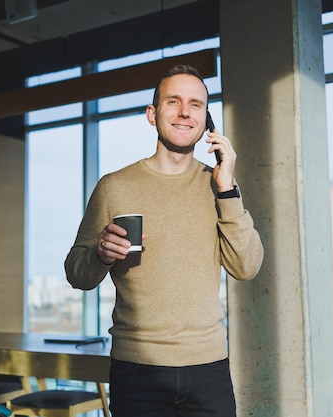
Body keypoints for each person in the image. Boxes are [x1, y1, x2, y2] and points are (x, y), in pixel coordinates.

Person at [64, 64, 264, 416]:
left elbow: (246, 267)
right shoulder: (115, 186)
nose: (185, 112)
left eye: (196, 105)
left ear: (206, 122)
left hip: (209, 369)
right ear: (152, 115)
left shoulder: (219, 186)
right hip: (136, 371)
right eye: (174, 101)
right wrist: (100, 254)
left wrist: (227, 188)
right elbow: (77, 274)